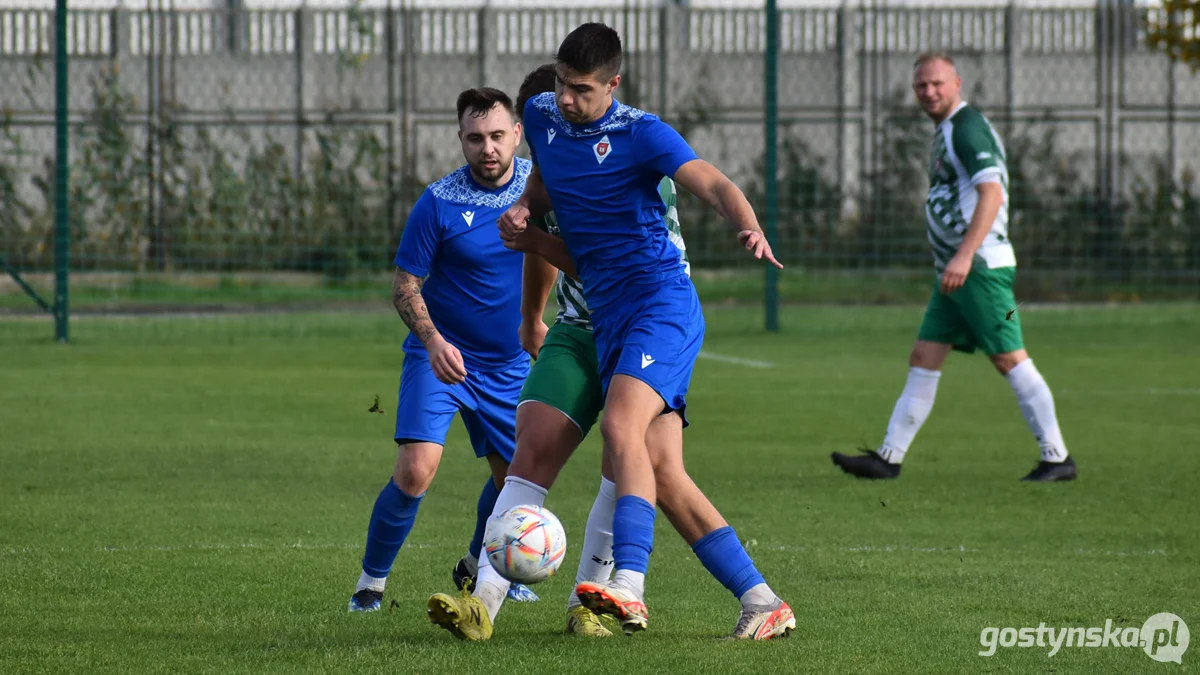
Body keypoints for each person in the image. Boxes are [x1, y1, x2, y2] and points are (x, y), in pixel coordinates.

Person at [425, 65, 795, 642]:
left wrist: (533, 236)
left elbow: (594, 261)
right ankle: (485, 604)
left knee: (641, 462)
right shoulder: (555, 147)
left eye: (572, 101)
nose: (560, 117)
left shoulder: (627, 155)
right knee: (537, 444)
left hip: (644, 319)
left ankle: (601, 600)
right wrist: (531, 315)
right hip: (579, 327)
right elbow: (541, 226)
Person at [832, 52, 1076, 483]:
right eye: (921, 86)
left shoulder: (967, 129)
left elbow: (992, 194)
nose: (928, 92)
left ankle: (1057, 458)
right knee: (924, 356)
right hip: (956, 272)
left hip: (978, 268)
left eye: (937, 84)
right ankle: (888, 458)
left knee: (1008, 358)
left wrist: (964, 255)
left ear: (957, 83)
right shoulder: (948, 130)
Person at [347, 87, 538, 612]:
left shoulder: (541, 191)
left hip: (512, 364)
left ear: (517, 134)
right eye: (475, 138)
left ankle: (484, 567)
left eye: (498, 135)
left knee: (514, 485)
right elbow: (405, 285)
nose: (488, 148)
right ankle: (370, 584)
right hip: (442, 359)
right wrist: (432, 341)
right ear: (460, 140)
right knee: (415, 470)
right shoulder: (438, 201)